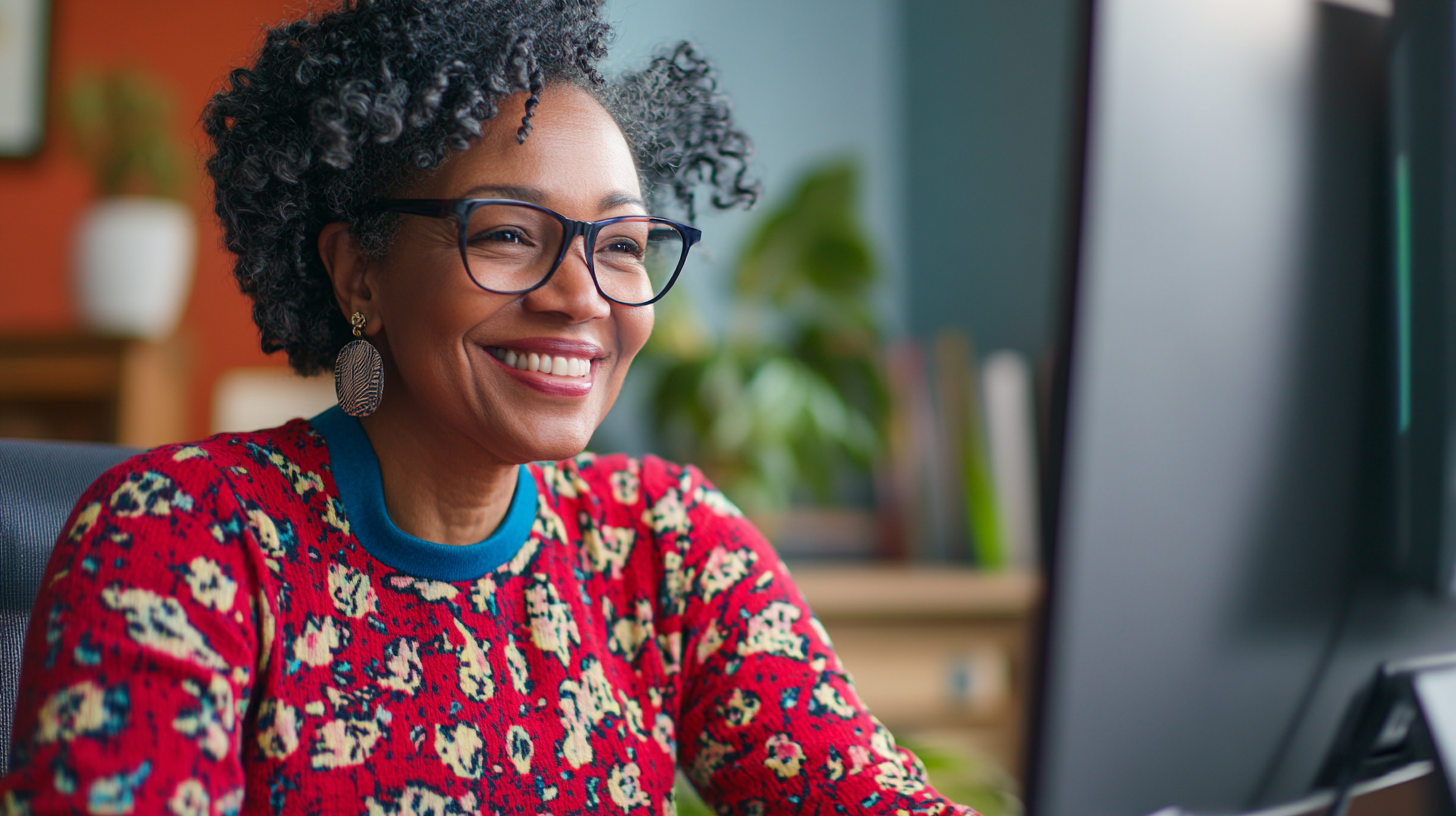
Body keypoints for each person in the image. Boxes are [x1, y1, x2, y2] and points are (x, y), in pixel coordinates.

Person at [0, 1, 975, 813]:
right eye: (507, 233)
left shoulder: (667, 548)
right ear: (359, 273)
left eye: (624, 245)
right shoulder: (182, 539)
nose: (584, 295)